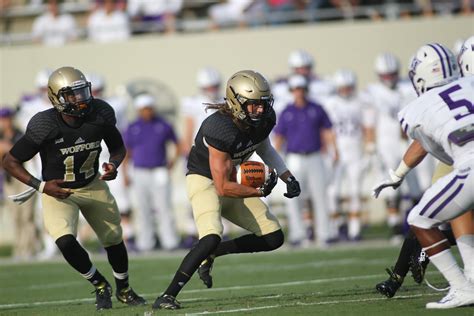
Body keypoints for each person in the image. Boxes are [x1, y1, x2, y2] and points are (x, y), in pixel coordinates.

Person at [151, 70, 301, 310]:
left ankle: (212, 253)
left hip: (233, 178)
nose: (260, 110)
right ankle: (167, 296)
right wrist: (259, 192)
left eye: (263, 104)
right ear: (236, 102)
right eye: (253, 105)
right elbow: (221, 186)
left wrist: (287, 177)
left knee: (274, 237)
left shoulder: (264, 118)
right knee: (210, 236)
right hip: (205, 180)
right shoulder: (219, 128)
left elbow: (264, 147)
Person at [2, 67, 146, 310]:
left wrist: (113, 164)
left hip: (92, 183)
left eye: (82, 92)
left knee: (113, 238)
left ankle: (124, 288)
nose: (81, 99)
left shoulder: (100, 113)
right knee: (64, 241)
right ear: (56, 98)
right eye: (72, 95)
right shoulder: (44, 124)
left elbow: (119, 148)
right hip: (58, 191)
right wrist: (41, 186)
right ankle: (99, 284)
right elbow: (9, 161)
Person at [373, 43, 474, 309]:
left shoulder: (419, 107)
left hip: (469, 166)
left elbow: (431, 147)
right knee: (458, 214)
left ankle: (462, 287)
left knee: (419, 219)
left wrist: (397, 174)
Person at [273, 74, 336, 247]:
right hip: (294, 158)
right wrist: (273, 159)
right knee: (293, 197)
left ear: (306, 89)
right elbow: (279, 137)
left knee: (320, 195)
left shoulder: (317, 108)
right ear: (291, 91)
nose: (298, 92)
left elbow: (327, 130)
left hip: (315, 156)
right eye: (295, 89)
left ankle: (324, 233)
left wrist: (333, 150)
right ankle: (297, 234)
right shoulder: (287, 111)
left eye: (301, 88)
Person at [122, 94, 180, 252]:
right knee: (142, 208)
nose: (147, 111)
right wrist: (125, 174)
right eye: (144, 109)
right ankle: (145, 243)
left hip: (159, 171)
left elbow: (178, 144)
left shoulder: (163, 125)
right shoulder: (132, 127)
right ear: (139, 110)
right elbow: (126, 152)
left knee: (164, 207)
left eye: (149, 108)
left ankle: (170, 242)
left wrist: (172, 163)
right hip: (139, 171)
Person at [325, 69, 371, 241]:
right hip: (336, 152)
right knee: (332, 192)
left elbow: (367, 128)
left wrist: (369, 150)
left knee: (355, 191)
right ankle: (337, 227)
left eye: (348, 87)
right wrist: (329, 149)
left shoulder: (360, 102)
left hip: (355, 151)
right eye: (342, 87)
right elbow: (326, 130)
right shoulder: (330, 103)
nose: (345, 90)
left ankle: (354, 230)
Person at [0, 107, 39, 260]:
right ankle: (19, 248)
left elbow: (24, 154)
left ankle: (27, 249)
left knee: (27, 216)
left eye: (6, 118)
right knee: (16, 217)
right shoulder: (1, 135)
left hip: (24, 178)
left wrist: (7, 147)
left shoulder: (19, 135)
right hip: (9, 180)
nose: (5, 122)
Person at [272, 49, 334, 116]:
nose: (303, 72)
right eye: (299, 69)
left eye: (306, 68)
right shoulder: (280, 88)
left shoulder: (320, 86)